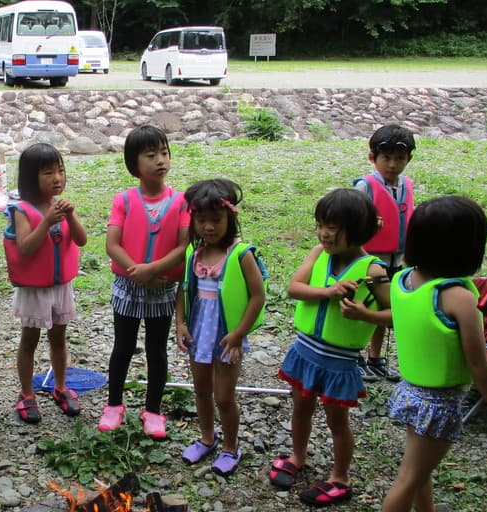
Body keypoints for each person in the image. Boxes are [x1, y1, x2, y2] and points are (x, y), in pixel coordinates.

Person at [268, 189, 392, 507]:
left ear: (358, 229)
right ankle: (297, 457)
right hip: (304, 352)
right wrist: (329, 291)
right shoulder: (318, 254)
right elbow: (294, 288)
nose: (324, 233)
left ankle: (340, 477)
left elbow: (394, 316)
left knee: (337, 422)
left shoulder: (373, 271)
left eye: (333, 227)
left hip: (339, 361)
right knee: (300, 410)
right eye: (320, 224)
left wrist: (364, 315)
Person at [382, 196, 487, 512]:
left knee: (419, 472)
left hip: (409, 392)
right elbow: (479, 365)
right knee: (409, 478)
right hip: (440, 403)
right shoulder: (459, 298)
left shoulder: (402, 280)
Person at [99, 125, 189, 439]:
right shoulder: (124, 200)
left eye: (164, 153)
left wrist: (152, 270)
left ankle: (153, 409)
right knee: (122, 347)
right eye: (151, 155)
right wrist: (136, 270)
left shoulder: (181, 201)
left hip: (162, 287)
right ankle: (114, 404)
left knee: (157, 350)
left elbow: (183, 246)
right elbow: (112, 245)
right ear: (134, 164)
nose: (160, 160)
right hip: (128, 286)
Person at [175, 179, 266, 476]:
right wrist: (180, 323)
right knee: (201, 390)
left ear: (230, 218)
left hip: (228, 336)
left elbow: (258, 296)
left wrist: (239, 334)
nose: (208, 227)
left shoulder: (241, 254)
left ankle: (230, 447)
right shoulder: (194, 253)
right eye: (201, 220)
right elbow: (183, 290)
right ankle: (207, 438)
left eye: (216, 219)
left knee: (224, 397)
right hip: (199, 332)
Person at [3, 143, 88, 423]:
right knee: (29, 340)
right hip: (34, 289)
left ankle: (61, 386)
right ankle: (27, 393)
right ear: (31, 178)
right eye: (48, 173)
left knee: (59, 338)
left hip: (60, 286)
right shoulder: (21, 210)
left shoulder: (61, 206)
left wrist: (71, 216)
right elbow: (25, 248)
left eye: (60, 171)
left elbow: (81, 240)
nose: (57, 178)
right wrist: (47, 221)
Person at [353, 124, 416, 382]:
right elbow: (351, 218)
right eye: (386, 157)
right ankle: (355, 356)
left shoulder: (406, 185)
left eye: (399, 158)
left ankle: (376, 358)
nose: (392, 164)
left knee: (385, 308)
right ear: (373, 157)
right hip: (367, 261)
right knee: (364, 306)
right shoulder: (365, 186)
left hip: (395, 260)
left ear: (408, 159)